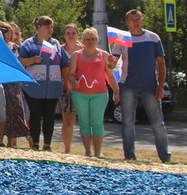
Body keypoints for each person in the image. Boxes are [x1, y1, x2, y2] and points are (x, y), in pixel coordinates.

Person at [112, 8, 171, 162]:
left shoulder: (153, 38)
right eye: (133, 19)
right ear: (127, 22)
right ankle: (129, 156)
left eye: (138, 19)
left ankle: (165, 156)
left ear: (142, 20)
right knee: (128, 123)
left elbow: (161, 63)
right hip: (127, 86)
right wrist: (110, 63)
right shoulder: (122, 38)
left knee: (157, 122)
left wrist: (161, 87)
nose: (136, 22)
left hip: (149, 86)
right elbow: (114, 61)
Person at [18, 16, 69, 151]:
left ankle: (47, 145)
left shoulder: (56, 44)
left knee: (49, 115)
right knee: (35, 114)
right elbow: (20, 61)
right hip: (34, 86)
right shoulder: (28, 44)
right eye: (47, 27)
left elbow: (64, 64)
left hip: (52, 86)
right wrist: (33, 60)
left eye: (51, 27)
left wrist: (67, 82)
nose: (50, 30)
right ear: (39, 27)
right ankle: (35, 144)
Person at [68, 27, 120, 158]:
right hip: (80, 94)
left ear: (97, 40)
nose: (90, 41)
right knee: (84, 122)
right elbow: (71, 74)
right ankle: (87, 151)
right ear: (83, 41)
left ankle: (97, 152)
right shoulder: (76, 55)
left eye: (93, 39)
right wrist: (74, 82)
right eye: (87, 39)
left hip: (100, 94)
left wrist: (117, 91)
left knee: (97, 122)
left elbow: (110, 76)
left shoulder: (104, 55)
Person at [0, 22, 33, 148]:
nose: (7, 34)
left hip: (14, 82)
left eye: (9, 32)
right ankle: (8, 141)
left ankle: (28, 137)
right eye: (4, 32)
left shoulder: (15, 47)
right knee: (5, 112)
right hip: (2, 82)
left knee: (18, 109)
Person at [58, 24, 83, 154]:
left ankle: (89, 149)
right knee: (67, 119)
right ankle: (67, 149)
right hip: (65, 87)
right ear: (64, 35)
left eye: (73, 33)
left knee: (83, 119)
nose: (71, 35)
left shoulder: (84, 49)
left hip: (81, 87)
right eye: (68, 33)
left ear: (77, 34)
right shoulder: (59, 50)